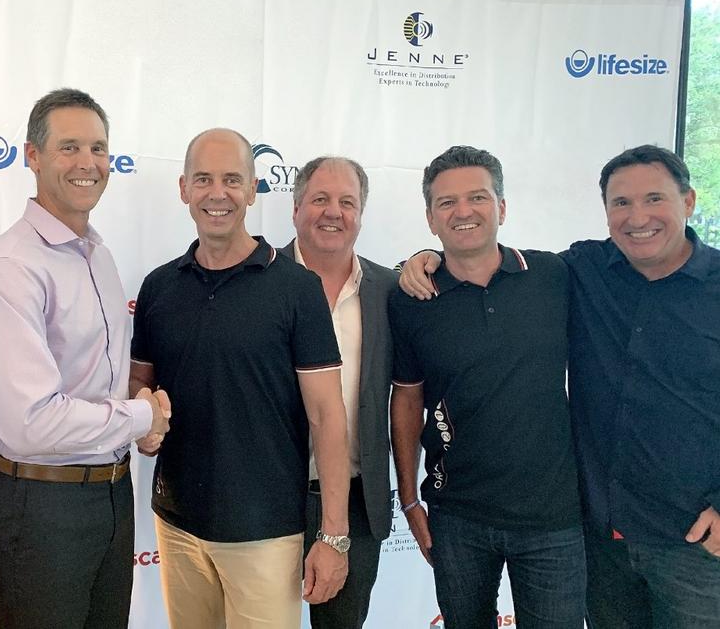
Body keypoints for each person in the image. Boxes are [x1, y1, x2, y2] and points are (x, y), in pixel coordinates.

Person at [399, 145, 720, 628]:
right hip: (591, 533)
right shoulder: (582, 269)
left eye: (654, 198)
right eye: (621, 203)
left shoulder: (559, 276)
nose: (638, 218)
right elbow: (472, 258)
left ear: (689, 201)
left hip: (684, 537)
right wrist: (423, 259)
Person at [0, 88, 170, 629]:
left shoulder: (98, 254)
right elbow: (35, 422)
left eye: (98, 148)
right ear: (33, 156)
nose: (87, 163)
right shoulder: (9, 265)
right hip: (42, 507)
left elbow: (95, 383)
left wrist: (139, 417)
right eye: (69, 147)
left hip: (111, 495)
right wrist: (141, 417)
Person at [129, 128, 351, 629]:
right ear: (183, 188)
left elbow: (327, 415)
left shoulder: (297, 288)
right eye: (203, 179)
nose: (218, 193)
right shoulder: (159, 286)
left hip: (267, 533)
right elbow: (138, 383)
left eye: (232, 179)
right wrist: (144, 418)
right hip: (177, 525)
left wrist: (333, 535)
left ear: (253, 189)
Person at [389, 145, 585, 629]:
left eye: (477, 197)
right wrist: (409, 499)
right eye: (447, 202)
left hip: (553, 516)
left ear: (502, 207)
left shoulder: (554, 276)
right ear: (431, 219)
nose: (463, 211)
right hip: (457, 516)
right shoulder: (412, 298)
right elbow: (407, 399)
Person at [281, 156, 397, 628]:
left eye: (347, 202)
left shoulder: (390, 290)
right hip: (267, 496)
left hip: (356, 503)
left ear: (361, 214)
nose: (334, 212)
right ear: (295, 209)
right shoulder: (259, 279)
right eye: (320, 199)